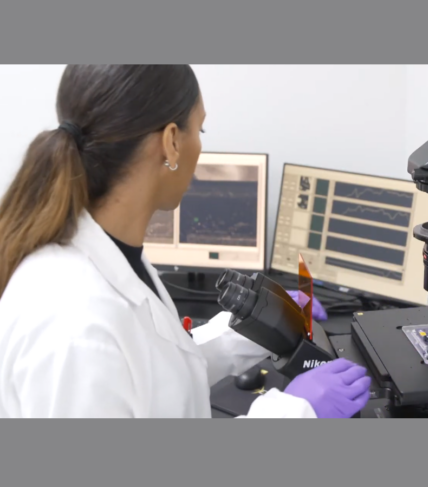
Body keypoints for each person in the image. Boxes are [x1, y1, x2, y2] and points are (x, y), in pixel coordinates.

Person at [0, 65, 371, 418]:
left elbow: (158, 375)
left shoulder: (114, 259)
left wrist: (254, 328)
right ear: (171, 142)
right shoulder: (75, 330)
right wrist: (295, 412)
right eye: (200, 131)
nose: (201, 147)